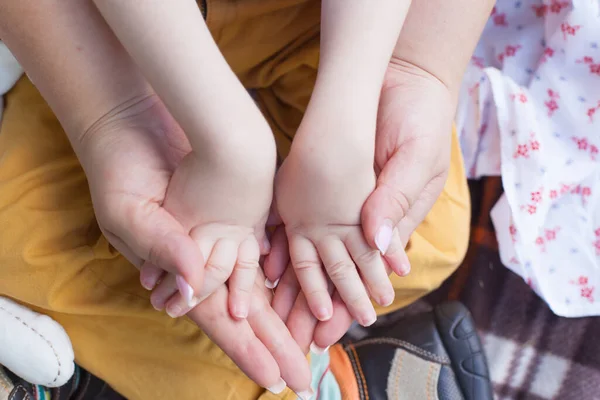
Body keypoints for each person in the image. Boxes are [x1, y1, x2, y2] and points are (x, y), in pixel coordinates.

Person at [0, 0, 492, 398]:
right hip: (92, 44)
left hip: (323, 23)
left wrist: (418, 70)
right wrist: (112, 117)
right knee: (22, 244)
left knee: (417, 230)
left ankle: (265, 375)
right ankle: (337, 382)